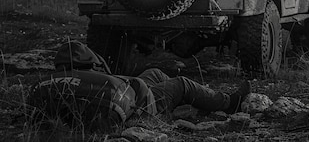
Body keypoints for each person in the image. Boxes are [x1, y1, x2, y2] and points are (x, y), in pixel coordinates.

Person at [33, 40, 251, 126]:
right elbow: (134, 90)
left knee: (154, 72)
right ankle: (228, 103)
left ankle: (199, 102)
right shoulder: (95, 75)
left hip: (124, 99)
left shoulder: (48, 81)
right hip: (139, 109)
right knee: (182, 83)